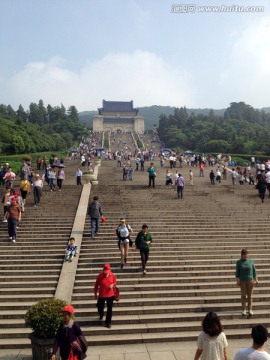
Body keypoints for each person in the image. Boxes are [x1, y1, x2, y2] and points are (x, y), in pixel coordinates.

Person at [236, 248, 258, 316]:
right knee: (243, 295)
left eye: (246, 254)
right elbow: (237, 272)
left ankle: (250, 309)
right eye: (244, 254)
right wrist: (237, 280)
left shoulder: (251, 261)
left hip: (250, 281)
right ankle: (244, 309)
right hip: (242, 281)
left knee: (250, 296)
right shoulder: (239, 262)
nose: (245, 255)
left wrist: (256, 279)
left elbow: (254, 271)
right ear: (241, 255)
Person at [94, 263, 117, 329]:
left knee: (110, 309)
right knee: (100, 307)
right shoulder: (100, 276)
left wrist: (113, 285)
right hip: (102, 295)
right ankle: (101, 314)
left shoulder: (112, 275)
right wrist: (95, 294)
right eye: (105, 272)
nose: (106, 274)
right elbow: (96, 285)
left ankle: (108, 323)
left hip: (110, 295)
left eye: (107, 272)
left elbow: (115, 282)